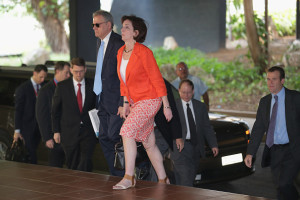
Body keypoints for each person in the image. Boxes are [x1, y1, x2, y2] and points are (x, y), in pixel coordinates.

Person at [113, 15, 173, 190]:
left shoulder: (144, 52)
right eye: (122, 27)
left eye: (126, 27)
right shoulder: (120, 52)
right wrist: (125, 104)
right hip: (136, 102)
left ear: (135, 33)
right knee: (148, 142)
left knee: (127, 131)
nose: (122, 30)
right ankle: (163, 179)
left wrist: (166, 105)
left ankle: (129, 177)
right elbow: (123, 82)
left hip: (150, 99)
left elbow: (157, 80)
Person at [244, 66, 300, 200]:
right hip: (274, 151)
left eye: (274, 79)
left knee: (284, 184)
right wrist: (250, 153)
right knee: (280, 188)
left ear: (282, 81)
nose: (270, 83)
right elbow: (258, 129)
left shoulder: (296, 98)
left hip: (292, 150)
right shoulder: (264, 102)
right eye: (268, 79)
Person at [92, 10, 125, 176]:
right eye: (93, 25)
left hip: (116, 103)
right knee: (104, 138)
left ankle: (127, 174)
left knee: (115, 138)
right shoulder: (101, 44)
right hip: (102, 101)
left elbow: (124, 77)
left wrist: (122, 102)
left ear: (108, 25)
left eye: (97, 24)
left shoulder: (119, 43)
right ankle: (116, 175)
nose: (94, 28)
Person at [52, 57, 96, 172]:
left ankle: (85, 186)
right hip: (69, 132)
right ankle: (75, 187)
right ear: (71, 70)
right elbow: (55, 110)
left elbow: (97, 108)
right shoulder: (62, 86)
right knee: (72, 163)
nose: (78, 74)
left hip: (88, 131)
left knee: (86, 161)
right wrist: (56, 131)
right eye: (76, 71)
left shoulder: (92, 85)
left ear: (85, 69)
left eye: (81, 71)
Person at [171, 79, 218, 186]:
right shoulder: (173, 107)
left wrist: (213, 144)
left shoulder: (200, 107)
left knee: (188, 178)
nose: (186, 95)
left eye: (188, 92)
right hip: (180, 149)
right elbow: (169, 127)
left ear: (193, 92)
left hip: (196, 148)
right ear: (179, 91)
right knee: (186, 179)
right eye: (183, 92)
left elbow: (207, 127)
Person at [148, 79, 184, 182]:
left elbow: (172, 109)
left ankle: (158, 187)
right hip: (143, 129)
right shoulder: (136, 79)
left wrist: (177, 136)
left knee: (155, 162)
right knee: (143, 164)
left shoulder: (161, 82)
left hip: (159, 131)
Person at [36, 61, 70, 167]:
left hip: (68, 135)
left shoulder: (68, 88)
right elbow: (41, 116)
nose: (69, 76)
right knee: (55, 167)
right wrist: (47, 137)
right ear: (58, 72)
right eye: (66, 73)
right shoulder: (46, 90)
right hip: (53, 137)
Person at [13, 64, 48, 164]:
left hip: (39, 127)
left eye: (44, 77)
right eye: (41, 77)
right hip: (27, 127)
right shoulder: (23, 88)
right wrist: (17, 130)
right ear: (34, 73)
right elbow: (18, 110)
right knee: (30, 153)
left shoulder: (44, 87)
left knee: (35, 150)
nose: (42, 79)